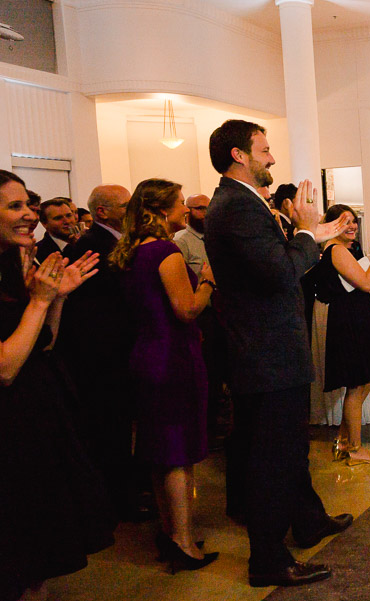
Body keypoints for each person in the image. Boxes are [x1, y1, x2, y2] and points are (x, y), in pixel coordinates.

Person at [203, 119, 352, 587]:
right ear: (239, 156)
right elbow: (279, 272)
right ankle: (267, 560)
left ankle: (307, 520)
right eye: (264, 150)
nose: (271, 159)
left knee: (288, 448)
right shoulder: (237, 208)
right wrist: (308, 234)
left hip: (268, 351)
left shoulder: (243, 203)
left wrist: (318, 231)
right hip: (264, 354)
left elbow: (275, 261)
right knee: (271, 457)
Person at [0, 170, 114, 601]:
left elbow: (42, 345)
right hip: (8, 430)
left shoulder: (14, 264)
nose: (29, 214)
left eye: (27, 204)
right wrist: (41, 300)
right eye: (15, 207)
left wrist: (57, 298)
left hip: (34, 421)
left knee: (37, 558)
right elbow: (7, 366)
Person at [109, 178, 219, 573]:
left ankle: (170, 530)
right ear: (161, 211)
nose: (184, 212)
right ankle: (183, 541)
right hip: (172, 357)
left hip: (146, 354)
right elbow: (186, 309)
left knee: (159, 451)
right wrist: (207, 279)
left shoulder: (131, 250)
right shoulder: (166, 252)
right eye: (179, 206)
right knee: (177, 453)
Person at [57, 184, 138, 522]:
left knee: (120, 428)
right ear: (102, 212)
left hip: (116, 350)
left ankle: (125, 494)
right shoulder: (91, 245)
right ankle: (116, 502)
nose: (132, 209)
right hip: (102, 356)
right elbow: (94, 308)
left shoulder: (115, 240)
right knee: (109, 429)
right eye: (125, 204)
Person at [314, 204, 370, 463]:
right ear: (331, 225)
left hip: (356, 317)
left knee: (367, 379)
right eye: (344, 221)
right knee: (356, 383)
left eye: (353, 221)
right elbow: (366, 282)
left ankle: (344, 440)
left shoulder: (343, 250)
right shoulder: (336, 250)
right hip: (349, 321)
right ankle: (355, 448)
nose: (351, 226)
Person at [173, 192, 229, 445]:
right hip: (201, 314)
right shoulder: (181, 242)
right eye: (199, 209)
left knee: (223, 371)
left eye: (209, 208)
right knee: (208, 375)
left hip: (224, 314)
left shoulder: (217, 238)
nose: (205, 214)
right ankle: (205, 430)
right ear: (188, 210)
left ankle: (221, 424)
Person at [35, 197, 77, 263]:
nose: (67, 221)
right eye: (58, 218)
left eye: (69, 215)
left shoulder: (83, 244)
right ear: (44, 223)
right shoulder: (37, 253)